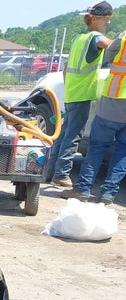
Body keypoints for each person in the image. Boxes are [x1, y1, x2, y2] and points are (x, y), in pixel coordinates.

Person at [47, 2, 112, 188]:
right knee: (73, 136)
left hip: (72, 93)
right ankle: (61, 174)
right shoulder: (96, 38)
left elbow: (66, 69)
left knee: (64, 135)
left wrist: (69, 89)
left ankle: (50, 171)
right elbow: (113, 46)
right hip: (82, 95)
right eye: (107, 19)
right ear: (95, 18)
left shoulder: (79, 38)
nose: (108, 22)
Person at [63, 27, 126, 204]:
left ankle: (82, 189)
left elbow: (109, 55)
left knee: (97, 147)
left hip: (114, 100)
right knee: (123, 151)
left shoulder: (123, 37)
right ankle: (108, 193)